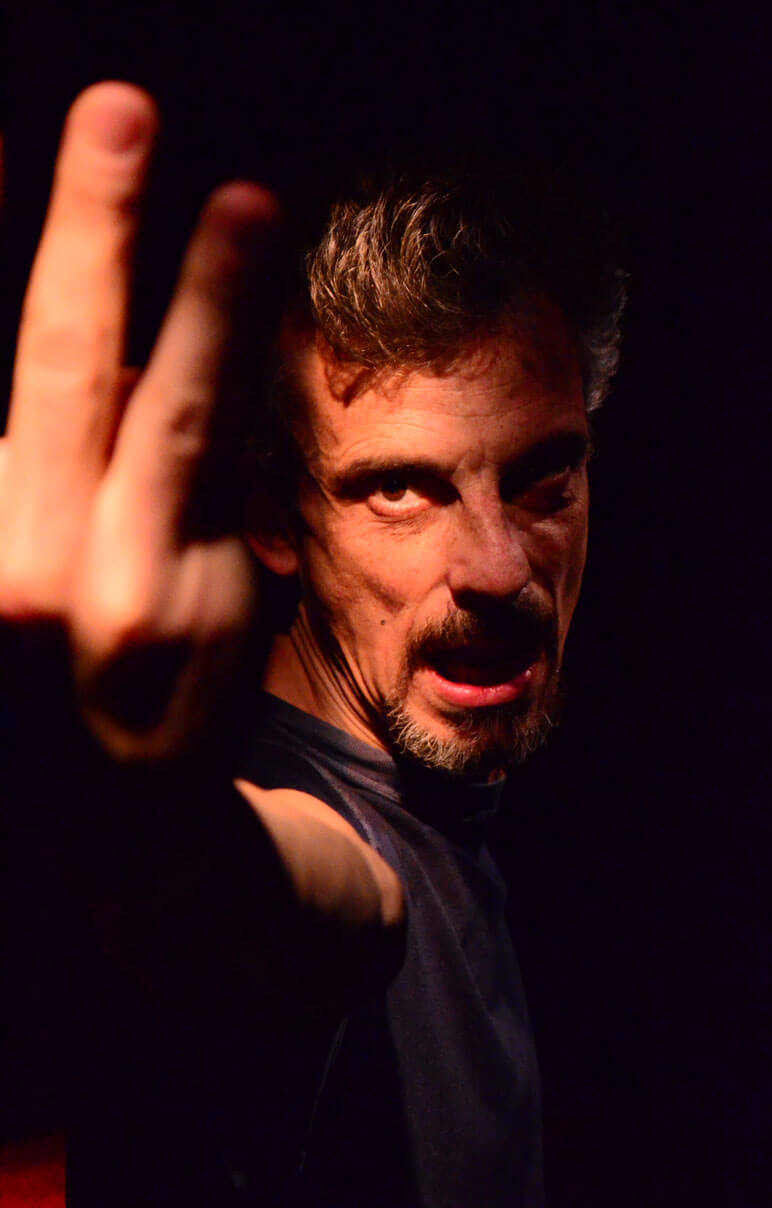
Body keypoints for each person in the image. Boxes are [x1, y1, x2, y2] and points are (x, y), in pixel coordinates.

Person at [0, 82, 625, 1205]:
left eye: (545, 475)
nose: (497, 566)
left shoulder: (459, 807)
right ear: (272, 518)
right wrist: (155, 818)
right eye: (399, 489)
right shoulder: (310, 835)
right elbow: (287, 909)